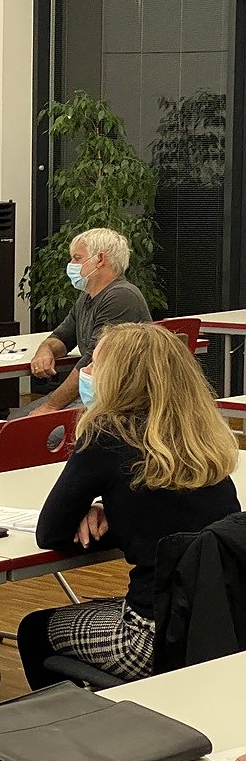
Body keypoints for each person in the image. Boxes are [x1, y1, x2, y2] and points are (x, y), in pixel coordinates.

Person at [17, 323, 239, 689]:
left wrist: (100, 512)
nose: (86, 371)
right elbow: (166, 519)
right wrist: (112, 510)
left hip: (154, 636)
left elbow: (50, 532)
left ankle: (72, 721)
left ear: (121, 377)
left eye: (95, 364)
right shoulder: (203, 439)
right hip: (220, 626)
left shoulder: (107, 436)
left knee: (35, 629)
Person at [21, 227, 151, 416]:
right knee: (18, 418)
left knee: (28, 426)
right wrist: (45, 350)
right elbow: (62, 337)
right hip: (96, 394)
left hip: (118, 401)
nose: (71, 264)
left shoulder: (121, 297)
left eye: (77, 258)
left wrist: (51, 407)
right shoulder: (87, 297)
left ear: (100, 259)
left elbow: (91, 360)